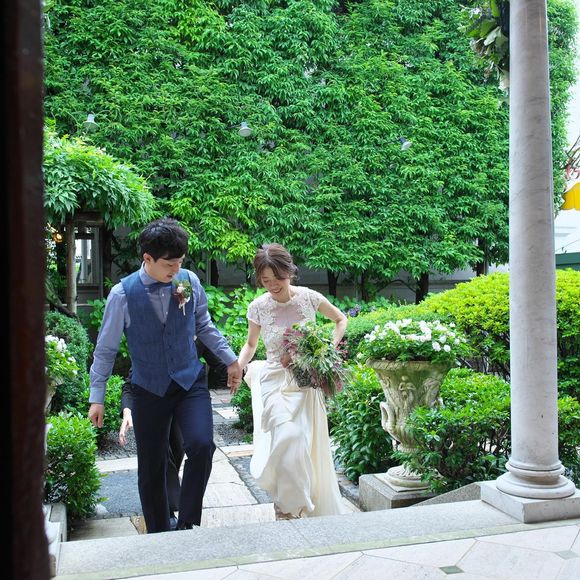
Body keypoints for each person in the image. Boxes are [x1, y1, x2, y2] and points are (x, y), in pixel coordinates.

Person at [88, 217, 242, 533]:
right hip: (148, 388)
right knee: (152, 466)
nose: (176, 269)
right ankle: (159, 531)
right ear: (147, 258)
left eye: (180, 262)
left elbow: (203, 325)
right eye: (170, 264)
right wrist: (97, 396)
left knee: (201, 445)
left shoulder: (187, 282)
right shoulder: (122, 295)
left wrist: (231, 360)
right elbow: (105, 349)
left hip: (188, 382)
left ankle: (185, 521)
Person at [234, 243, 349, 519]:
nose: (273, 285)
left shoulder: (308, 298)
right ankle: (288, 505)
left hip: (305, 382)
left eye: (278, 278)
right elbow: (251, 344)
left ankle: (292, 506)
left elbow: (341, 320)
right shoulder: (258, 307)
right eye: (266, 281)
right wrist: (236, 367)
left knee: (303, 444)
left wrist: (324, 351)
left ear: (289, 272)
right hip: (274, 381)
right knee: (288, 437)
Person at [118, 341, 228, 531]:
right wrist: (128, 411)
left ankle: (185, 518)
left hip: (185, 401)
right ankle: (166, 513)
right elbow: (131, 381)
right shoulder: (152, 336)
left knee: (194, 447)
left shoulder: (199, 332)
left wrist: (240, 368)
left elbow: (221, 364)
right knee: (160, 454)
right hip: (152, 399)